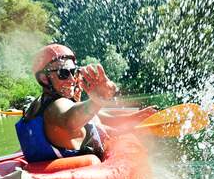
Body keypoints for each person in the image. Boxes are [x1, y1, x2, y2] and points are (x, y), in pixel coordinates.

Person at [16, 43, 154, 163]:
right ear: (44, 78)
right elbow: (69, 120)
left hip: (53, 172)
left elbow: (95, 117)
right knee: (114, 134)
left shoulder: (39, 103)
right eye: (63, 73)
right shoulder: (56, 106)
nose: (71, 79)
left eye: (73, 72)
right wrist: (98, 100)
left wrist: (135, 116)